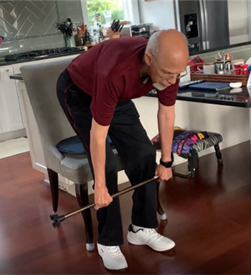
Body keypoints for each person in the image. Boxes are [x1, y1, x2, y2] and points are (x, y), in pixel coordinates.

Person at [56, 29, 189, 270]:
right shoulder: (116, 71)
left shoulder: (169, 68)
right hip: (79, 92)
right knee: (105, 165)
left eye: (178, 74)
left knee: (145, 154)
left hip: (116, 96)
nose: (173, 80)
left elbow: (167, 113)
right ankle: (107, 241)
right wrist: (101, 187)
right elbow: (99, 134)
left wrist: (167, 161)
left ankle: (142, 228)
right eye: (169, 74)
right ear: (149, 60)